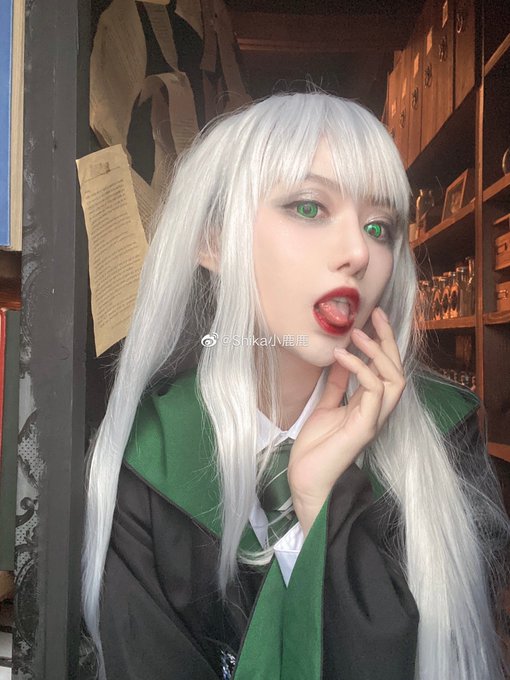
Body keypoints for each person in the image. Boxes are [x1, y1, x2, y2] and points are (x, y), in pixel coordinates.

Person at [82, 92, 510, 680]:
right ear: (213, 241)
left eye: (379, 227)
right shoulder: (147, 459)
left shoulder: (447, 438)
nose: (357, 252)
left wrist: (321, 505)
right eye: (309, 208)